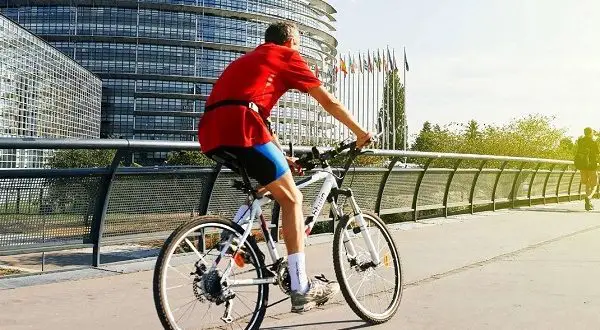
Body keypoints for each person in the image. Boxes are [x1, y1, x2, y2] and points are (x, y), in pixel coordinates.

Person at [197, 21, 373, 313]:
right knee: (294, 199)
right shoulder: (286, 55)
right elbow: (327, 101)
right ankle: (301, 286)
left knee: (267, 188)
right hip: (242, 126)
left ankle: (227, 250)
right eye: (299, 45)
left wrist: (282, 157)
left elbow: (256, 112)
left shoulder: (248, 60)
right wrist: (359, 133)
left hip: (212, 131)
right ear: (291, 41)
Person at [574, 127, 599, 211]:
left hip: (582, 165)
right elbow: (597, 153)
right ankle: (589, 197)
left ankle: (589, 203)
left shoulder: (580, 141)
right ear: (591, 133)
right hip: (592, 166)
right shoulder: (593, 142)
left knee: (587, 183)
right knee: (595, 184)